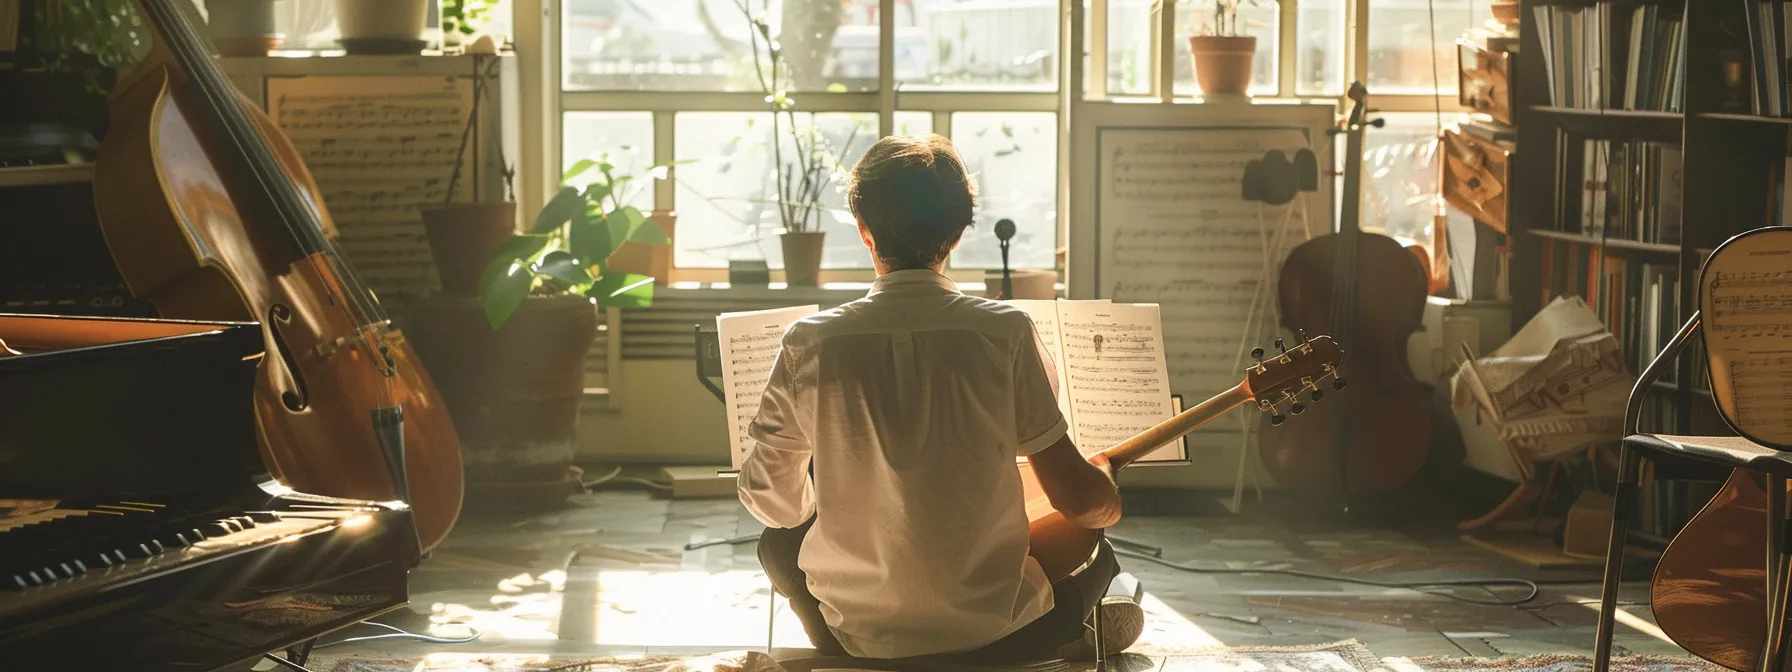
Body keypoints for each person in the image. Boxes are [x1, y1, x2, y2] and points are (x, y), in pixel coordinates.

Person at [737, 134, 1145, 662]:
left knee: (776, 543)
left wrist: (832, 480)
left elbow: (772, 501)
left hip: (852, 637)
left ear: (864, 230)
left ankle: (866, 653)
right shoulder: (1006, 333)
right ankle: (1079, 632)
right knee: (1099, 551)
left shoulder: (808, 343)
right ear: (956, 234)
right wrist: (1106, 492)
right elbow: (1080, 501)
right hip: (996, 636)